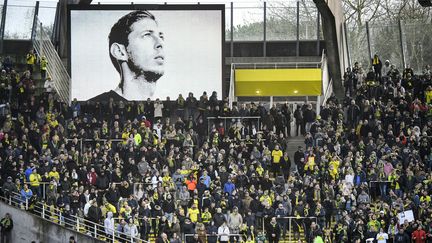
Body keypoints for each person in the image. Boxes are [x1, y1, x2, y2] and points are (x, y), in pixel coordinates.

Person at [90, 10, 165, 101]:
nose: (160, 43)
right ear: (119, 52)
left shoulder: (166, 109)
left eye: (161, 37)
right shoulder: (97, 106)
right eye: (147, 35)